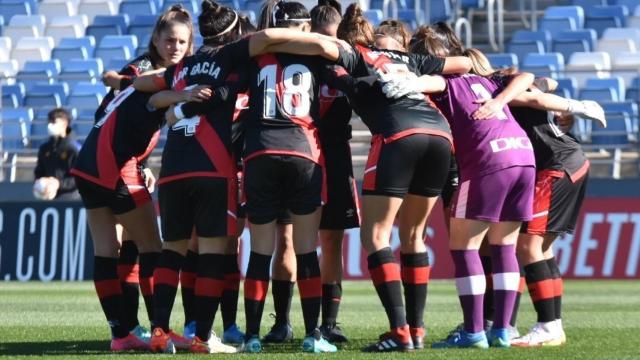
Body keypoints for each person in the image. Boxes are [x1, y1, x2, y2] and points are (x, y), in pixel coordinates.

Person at [134, 0, 352, 353]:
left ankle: (228, 333)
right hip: (278, 155)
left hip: (205, 162)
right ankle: (308, 335)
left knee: (213, 251)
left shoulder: (194, 67)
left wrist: (177, 104)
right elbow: (344, 78)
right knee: (290, 251)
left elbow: (145, 87)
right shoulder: (247, 59)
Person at [329, 5, 472, 352]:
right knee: (413, 236)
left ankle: (399, 330)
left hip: (398, 136)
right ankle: (418, 331)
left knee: (375, 236)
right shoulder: (405, 58)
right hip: (440, 137)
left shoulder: (351, 56)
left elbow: (325, 53)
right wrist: (420, 81)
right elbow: (465, 63)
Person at [95, 5, 196, 346]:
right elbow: (113, 110)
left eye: (182, 41)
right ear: (155, 39)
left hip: (119, 163)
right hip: (115, 163)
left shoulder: (180, 72)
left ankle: (128, 330)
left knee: (127, 249)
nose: (176, 47)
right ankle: (143, 328)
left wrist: (145, 164)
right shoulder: (143, 69)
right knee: (132, 247)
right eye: (169, 40)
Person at [33, 108, 81, 201]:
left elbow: (80, 179)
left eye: (54, 122)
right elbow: (39, 171)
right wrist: (42, 182)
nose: (50, 125)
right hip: (47, 198)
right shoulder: (45, 148)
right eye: (49, 122)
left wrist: (58, 184)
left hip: (71, 199)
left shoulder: (74, 149)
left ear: (64, 123)